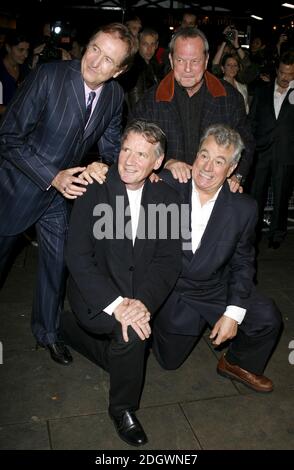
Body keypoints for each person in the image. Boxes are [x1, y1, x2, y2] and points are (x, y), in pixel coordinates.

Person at [0, 23, 137, 366]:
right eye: (94, 49)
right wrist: (53, 176)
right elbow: (8, 137)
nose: (94, 62)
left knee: (57, 263)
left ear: (119, 70)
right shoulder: (48, 76)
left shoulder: (115, 96)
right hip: (15, 190)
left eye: (108, 60)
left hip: (59, 198)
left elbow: (109, 149)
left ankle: (47, 332)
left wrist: (100, 168)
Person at [61, 120, 182, 446]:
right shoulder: (95, 188)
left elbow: (168, 260)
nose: (129, 160)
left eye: (141, 154)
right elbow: (78, 257)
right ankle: (123, 409)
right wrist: (119, 306)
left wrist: (142, 303)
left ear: (156, 163)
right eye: (126, 149)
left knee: (133, 333)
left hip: (139, 295)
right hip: (95, 296)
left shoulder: (167, 198)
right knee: (133, 333)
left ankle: (68, 332)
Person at [152, 124, 282, 393]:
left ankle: (236, 363)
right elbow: (129, 176)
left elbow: (243, 262)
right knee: (169, 362)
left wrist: (233, 313)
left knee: (267, 318)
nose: (207, 167)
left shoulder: (243, 208)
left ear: (232, 170)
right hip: (172, 289)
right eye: (204, 155)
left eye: (219, 161)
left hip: (213, 286)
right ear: (195, 155)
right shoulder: (166, 184)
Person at [132, 27, 255, 192]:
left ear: (206, 60)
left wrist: (237, 175)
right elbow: (133, 146)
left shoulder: (230, 98)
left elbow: (246, 142)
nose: (188, 69)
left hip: (213, 192)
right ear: (170, 59)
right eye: (181, 60)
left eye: (195, 61)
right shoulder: (150, 100)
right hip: (166, 191)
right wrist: (166, 162)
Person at [249, 51, 294, 248]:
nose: (285, 77)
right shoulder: (262, 91)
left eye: (290, 74)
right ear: (277, 71)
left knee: (281, 197)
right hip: (261, 151)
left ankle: (277, 234)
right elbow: (252, 121)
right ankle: (253, 233)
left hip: (286, 154)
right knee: (255, 195)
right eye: (283, 73)